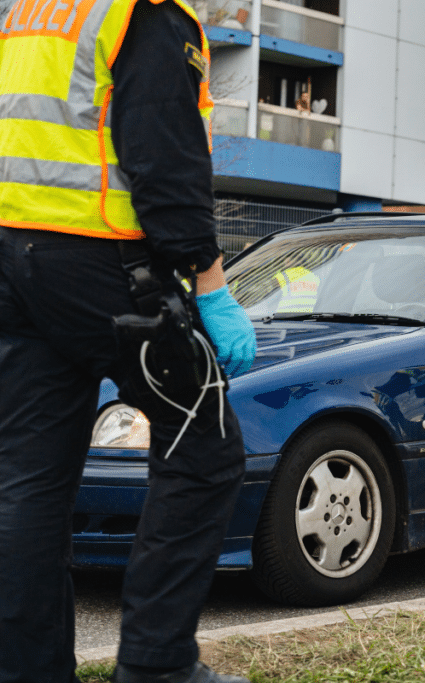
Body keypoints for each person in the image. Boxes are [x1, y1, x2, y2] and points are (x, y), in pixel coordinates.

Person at [0, 0, 257, 681]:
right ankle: (157, 663)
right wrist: (209, 283)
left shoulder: (30, 12)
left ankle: (27, 669)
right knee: (206, 444)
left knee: (29, 477)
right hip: (106, 267)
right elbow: (164, 157)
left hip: (14, 264)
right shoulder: (144, 13)